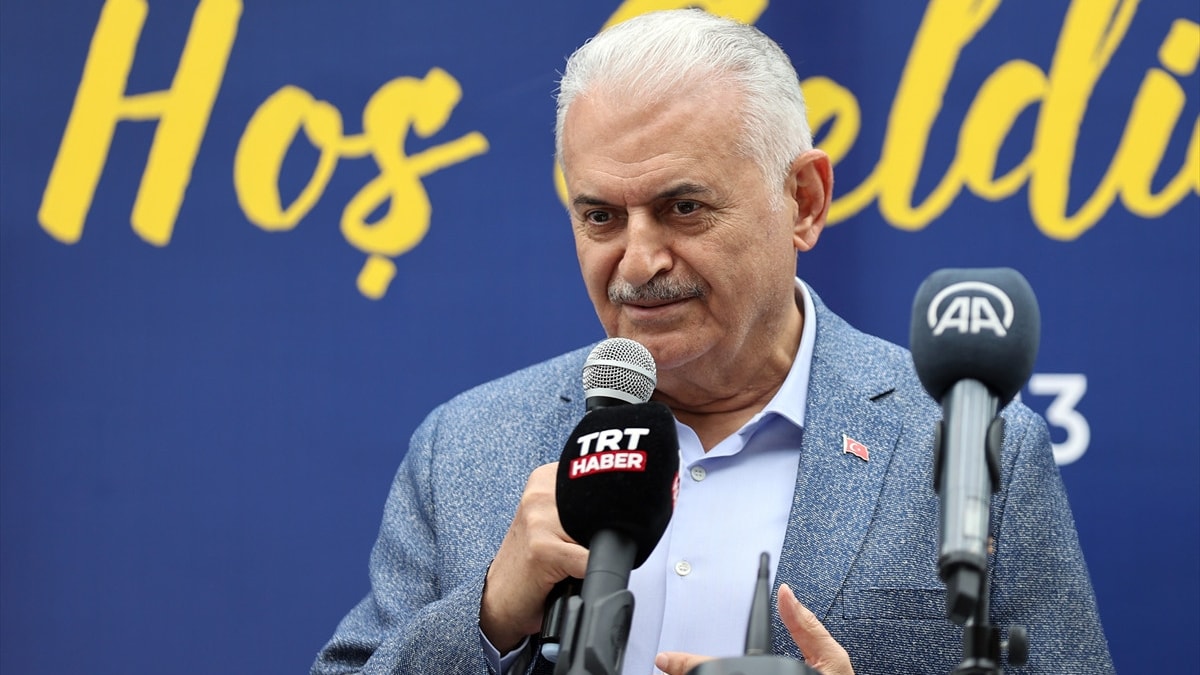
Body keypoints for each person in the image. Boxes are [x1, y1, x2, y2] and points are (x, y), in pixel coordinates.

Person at [311, 9, 1113, 675]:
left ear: (803, 200)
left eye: (683, 208)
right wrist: (489, 614)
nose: (638, 261)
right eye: (601, 216)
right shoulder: (462, 447)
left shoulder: (973, 450)